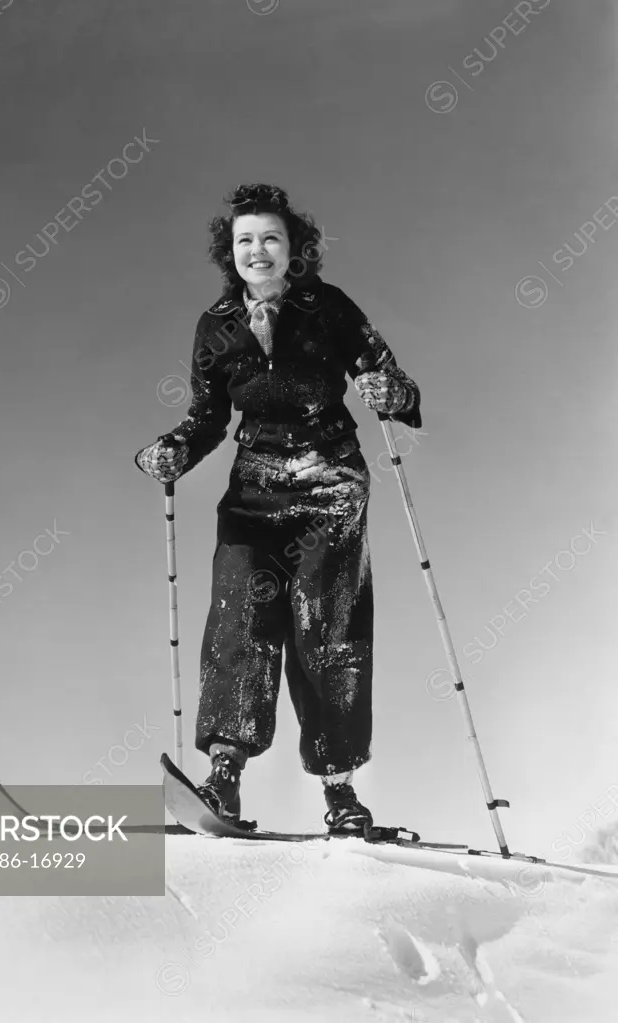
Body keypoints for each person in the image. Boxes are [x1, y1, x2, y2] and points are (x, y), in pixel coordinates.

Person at [134, 183, 421, 832]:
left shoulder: (330, 309)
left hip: (329, 490)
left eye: (269, 238)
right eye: (243, 241)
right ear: (227, 252)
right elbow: (207, 417)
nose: (255, 251)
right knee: (239, 620)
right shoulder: (216, 325)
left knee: (328, 633)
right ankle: (223, 779)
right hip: (252, 496)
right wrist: (174, 448)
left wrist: (388, 389)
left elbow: (391, 382)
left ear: (295, 249)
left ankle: (341, 793)